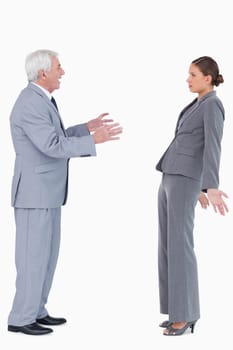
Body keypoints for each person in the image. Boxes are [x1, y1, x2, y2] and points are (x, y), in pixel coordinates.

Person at [7, 49, 123, 336]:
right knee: (32, 258)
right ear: (43, 72)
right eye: (59, 67)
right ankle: (20, 318)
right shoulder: (30, 103)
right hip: (35, 194)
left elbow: (56, 138)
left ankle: (36, 310)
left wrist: (85, 129)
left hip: (47, 193)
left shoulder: (42, 100)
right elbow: (52, 146)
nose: (63, 71)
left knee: (46, 256)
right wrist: (93, 141)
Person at [155, 56, 228, 336]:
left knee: (180, 247)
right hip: (170, 176)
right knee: (166, 245)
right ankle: (176, 310)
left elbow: (213, 146)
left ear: (208, 78)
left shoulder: (213, 105)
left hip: (185, 180)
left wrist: (209, 185)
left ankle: (184, 316)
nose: (188, 79)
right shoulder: (196, 104)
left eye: (193, 74)